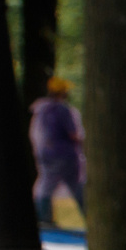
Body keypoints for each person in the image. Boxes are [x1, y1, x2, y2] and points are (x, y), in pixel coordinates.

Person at [29, 78, 85, 226]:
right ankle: (92, 220)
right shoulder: (62, 109)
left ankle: (43, 219)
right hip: (65, 156)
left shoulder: (41, 109)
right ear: (61, 92)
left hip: (45, 155)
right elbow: (73, 134)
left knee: (45, 185)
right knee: (76, 186)